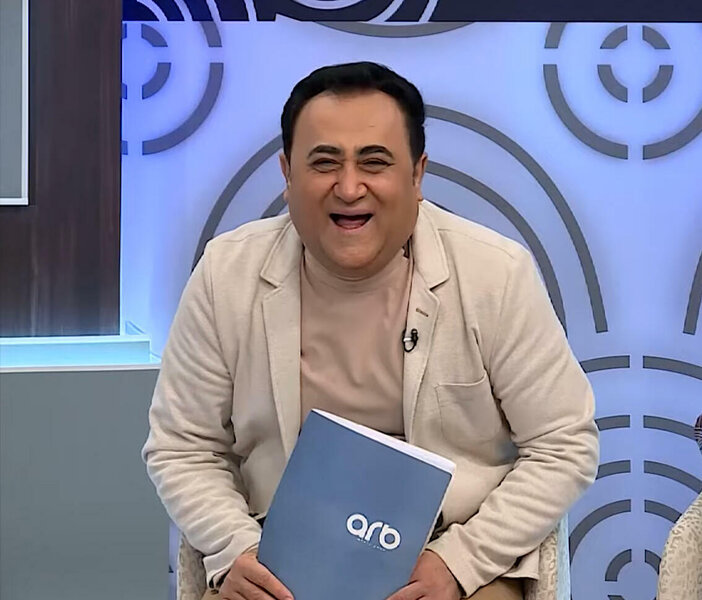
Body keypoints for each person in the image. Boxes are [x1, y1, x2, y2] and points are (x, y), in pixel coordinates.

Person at [142, 61, 599, 600]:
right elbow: (183, 447)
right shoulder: (226, 274)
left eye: (374, 162)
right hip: (280, 555)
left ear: (417, 175)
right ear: (287, 175)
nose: (349, 187)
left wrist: (459, 562)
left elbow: (564, 444)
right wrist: (237, 548)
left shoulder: (496, 274)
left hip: (451, 555)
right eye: (324, 163)